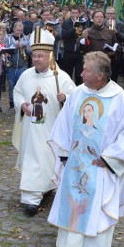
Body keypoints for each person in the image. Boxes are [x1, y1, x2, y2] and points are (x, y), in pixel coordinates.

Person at [47, 51, 124, 247]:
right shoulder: (79, 93)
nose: (81, 74)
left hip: (100, 166)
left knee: (95, 208)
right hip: (75, 162)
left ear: (101, 75)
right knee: (74, 203)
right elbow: (64, 122)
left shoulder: (121, 100)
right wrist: (64, 152)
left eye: (86, 71)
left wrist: (111, 158)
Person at [12, 28, 75, 216]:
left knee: (48, 160)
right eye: (34, 56)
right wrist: (22, 104)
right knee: (33, 159)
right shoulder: (26, 75)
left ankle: (46, 188)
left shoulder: (60, 77)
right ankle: (31, 199)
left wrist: (65, 97)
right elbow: (17, 92)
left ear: (50, 56)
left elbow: (74, 98)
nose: (36, 59)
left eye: (40, 56)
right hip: (31, 131)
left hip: (50, 128)